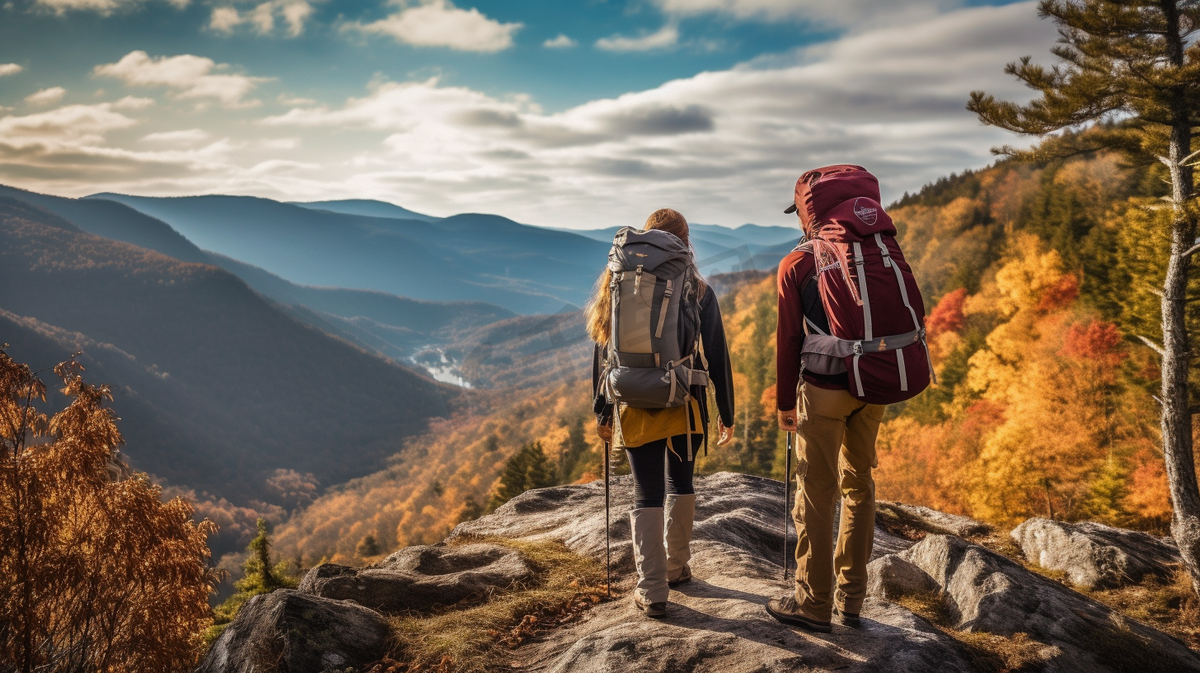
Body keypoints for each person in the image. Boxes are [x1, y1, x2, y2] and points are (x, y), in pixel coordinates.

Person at [587, 208, 736, 619]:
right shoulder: (699, 290)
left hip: (633, 400)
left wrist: (601, 409)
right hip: (684, 398)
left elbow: (603, 350)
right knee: (680, 482)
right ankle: (675, 569)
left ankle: (651, 590)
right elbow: (717, 353)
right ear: (685, 243)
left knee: (645, 491)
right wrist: (726, 410)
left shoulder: (617, 283)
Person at [766, 169, 892, 633]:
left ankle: (814, 604)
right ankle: (852, 599)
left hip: (824, 391)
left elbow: (787, 341)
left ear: (810, 213)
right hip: (874, 383)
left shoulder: (797, 264)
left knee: (816, 494)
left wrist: (784, 401)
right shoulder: (879, 251)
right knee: (859, 484)